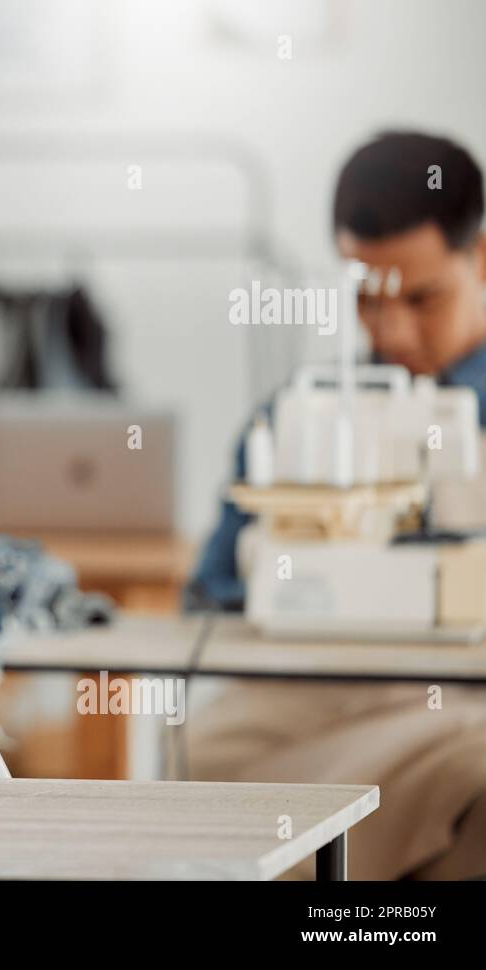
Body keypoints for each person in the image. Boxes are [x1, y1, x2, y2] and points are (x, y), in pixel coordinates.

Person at [185, 131, 486, 879]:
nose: (391, 330)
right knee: (189, 764)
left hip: (465, 697)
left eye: (423, 299)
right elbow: (213, 590)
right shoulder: (298, 415)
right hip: (316, 695)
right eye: (367, 300)